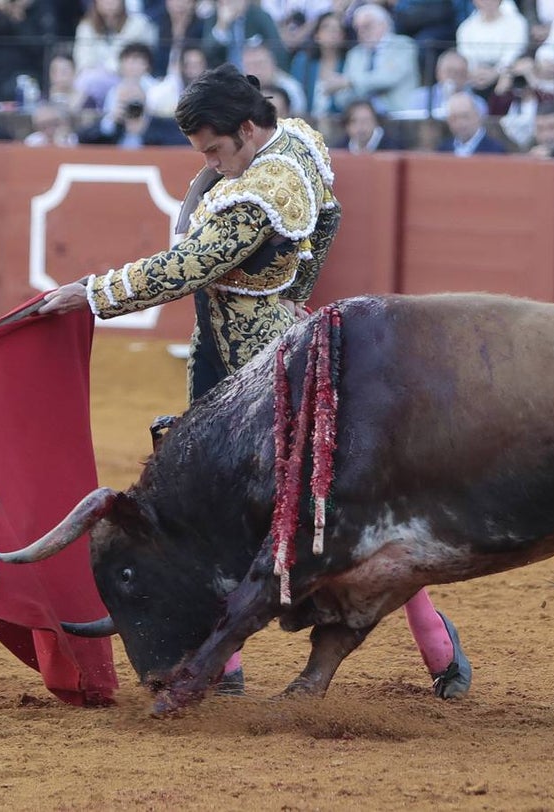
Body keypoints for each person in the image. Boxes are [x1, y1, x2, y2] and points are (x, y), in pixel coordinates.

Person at [36, 65, 473, 699]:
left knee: (330, 508)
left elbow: (189, 266)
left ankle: (431, 640)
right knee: (258, 504)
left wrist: (92, 292)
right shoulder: (295, 139)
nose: (213, 164)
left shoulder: (263, 187)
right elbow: (328, 222)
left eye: (216, 151)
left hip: (253, 368)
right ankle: (235, 665)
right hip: (257, 344)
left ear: (246, 129)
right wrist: (292, 298)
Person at [332, 3, 420, 114]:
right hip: (362, 119)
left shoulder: (403, 45)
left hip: (397, 116)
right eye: (357, 28)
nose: (361, 32)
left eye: (367, 26)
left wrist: (351, 82)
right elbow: (342, 96)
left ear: (384, 24)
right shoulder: (355, 54)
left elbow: (387, 78)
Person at [77, 79, 191, 146]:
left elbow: (183, 143)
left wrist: (145, 130)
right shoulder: (111, 126)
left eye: (135, 101)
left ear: (145, 102)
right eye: (125, 101)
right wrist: (110, 122)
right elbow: (81, 140)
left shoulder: (160, 125)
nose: (130, 107)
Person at [456, 0, 529, 95]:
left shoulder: (517, 23)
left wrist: (495, 73)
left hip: (507, 75)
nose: (488, 2)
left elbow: (512, 55)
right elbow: (466, 57)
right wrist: (476, 71)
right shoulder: (465, 28)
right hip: (475, 78)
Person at [437, 88, 508, 154]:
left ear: (477, 116)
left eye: (465, 116)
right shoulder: (443, 150)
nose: (460, 123)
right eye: (454, 118)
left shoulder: (495, 151)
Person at [333, 97, 403, 151]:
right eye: (354, 121)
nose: (360, 127)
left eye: (366, 121)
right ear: (346, 126)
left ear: (376, 122)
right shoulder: (340, 149)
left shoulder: (393, 148)